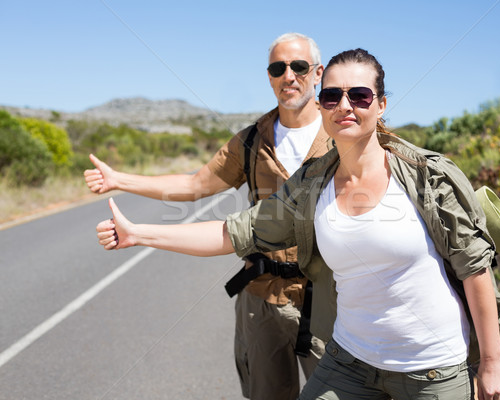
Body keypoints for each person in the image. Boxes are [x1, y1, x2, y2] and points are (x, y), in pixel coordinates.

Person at [96, 48, 500, 400]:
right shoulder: (312, 184)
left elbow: (474, 267)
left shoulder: (426, 175)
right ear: (322, 102)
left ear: (381, 104)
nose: (344, 106)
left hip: (431, 370)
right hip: (348, 361)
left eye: (360, 95)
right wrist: (139, 234)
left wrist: (492, 361)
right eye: (332, 96)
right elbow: (235, 232)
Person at [85, 33, 329, 400]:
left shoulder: (342, 134)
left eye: (298, 66)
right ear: (269, 76)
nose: (289, 76)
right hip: (262, 299)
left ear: (318, 72)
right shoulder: (251, 141)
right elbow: (194, 184)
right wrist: (119, 180)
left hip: (326, 299)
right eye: (279, 68)